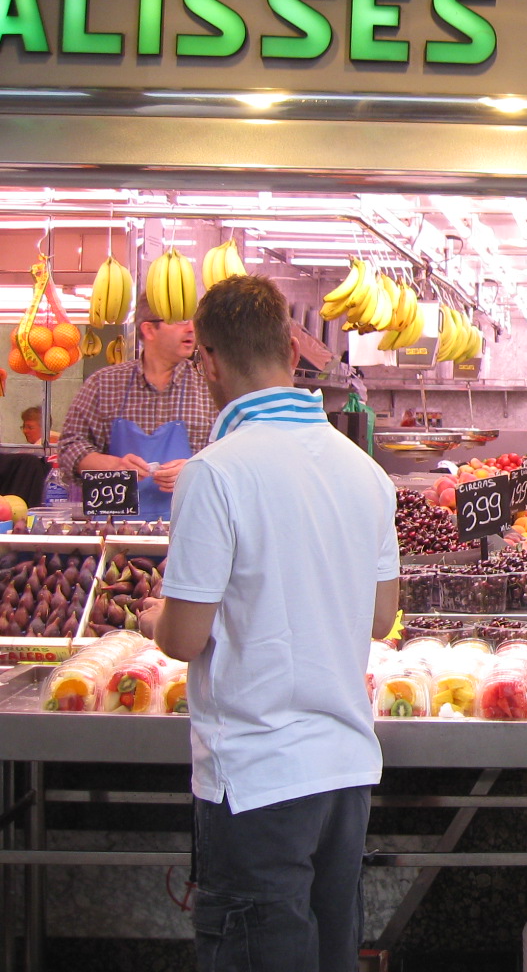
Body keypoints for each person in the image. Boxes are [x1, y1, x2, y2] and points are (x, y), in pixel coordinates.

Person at [136, 276, 398, 972]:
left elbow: (185, 638)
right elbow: (382, 616)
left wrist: (153, 616)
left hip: (255, 783)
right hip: (344, 776)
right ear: (290, 348)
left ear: (210, 362)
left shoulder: (215, 473)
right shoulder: (365, 472)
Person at [58, 299, 219, 520]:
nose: (191, 327)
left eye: (193, 320)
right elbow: (69, 446)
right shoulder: (104, 384)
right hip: (114, 530)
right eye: (180, 320)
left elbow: (234, 457)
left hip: (191, 525)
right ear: (149, 329)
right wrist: (112, 464)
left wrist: (195, 470)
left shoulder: (210, 387)